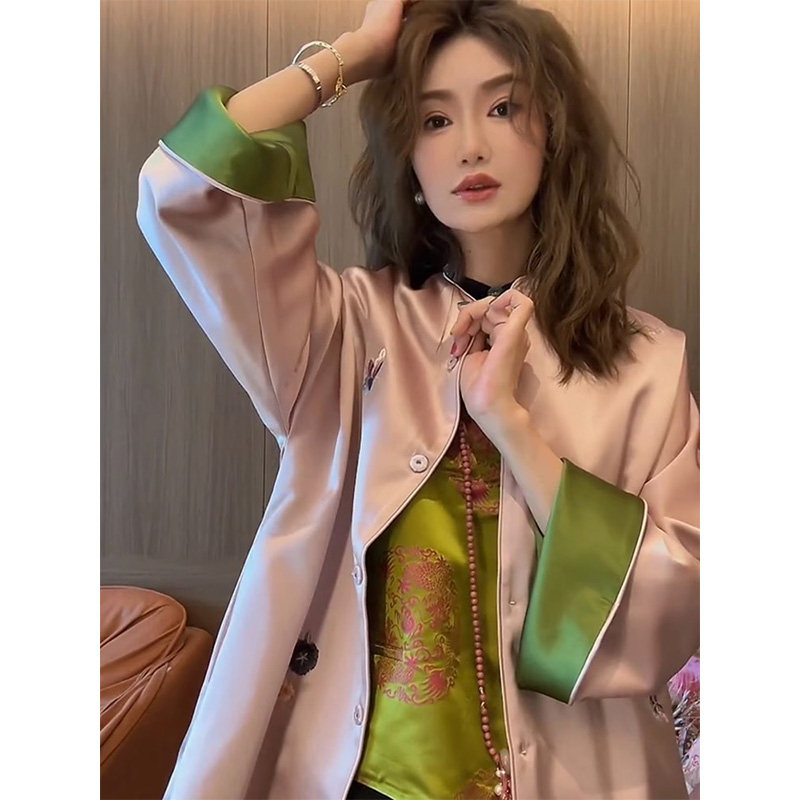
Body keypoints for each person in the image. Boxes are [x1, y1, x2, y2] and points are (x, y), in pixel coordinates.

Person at [135, 1, 700, 798]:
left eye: (503, 107)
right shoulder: (344, 330)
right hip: (365, 780)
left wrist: (511, 424)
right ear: (408, 161)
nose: (470, 144)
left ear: (556, 133)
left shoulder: (647, 362)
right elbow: (186, 189)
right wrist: (356, 55)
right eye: (434, 120)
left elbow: (671, 608)